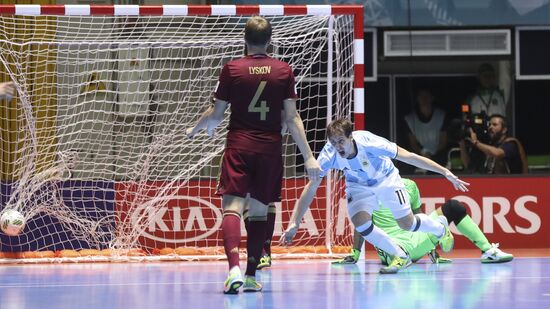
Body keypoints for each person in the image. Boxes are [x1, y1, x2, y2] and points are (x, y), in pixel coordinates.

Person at [186, 16, 321, 294]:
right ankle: (250, 276)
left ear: (244, 40)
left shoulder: (232, 69)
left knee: (233, 208)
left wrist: (198, 127)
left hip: (239, 144)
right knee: (260, 211)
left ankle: (233, 268)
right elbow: (292, 119)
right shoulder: (283, 70)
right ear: (270, 41)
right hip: (269, 148)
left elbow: (217, 115)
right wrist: (308, 156)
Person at [281, 119, 469, 274]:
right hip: (358, 185)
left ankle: (439, 228)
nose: (337, 146)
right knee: (361, 223)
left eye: (341, 141)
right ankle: (400, 255)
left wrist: (444, 172)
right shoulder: (328, 156)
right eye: (333, 142)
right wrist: (294, 222)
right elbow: (311, 188)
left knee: (408, 224)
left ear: (350, 137)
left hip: (385, 179)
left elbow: (409, 156)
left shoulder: (370, 144)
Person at [333, 178, 514, 265]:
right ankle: (441, 231)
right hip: (392, 248)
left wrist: (432, 253)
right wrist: (355, 253)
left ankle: (488, 250)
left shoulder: (409, 185)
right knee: (401, 249)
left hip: (414, 240)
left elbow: (420, 220)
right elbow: (362, 224)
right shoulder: (366, 189)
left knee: (454, 206)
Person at [459, 114, 527, 174]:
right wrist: (461, 144)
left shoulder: (511, 143)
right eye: (489, 124)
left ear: (504, 130)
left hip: (513, 185)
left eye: (495, 125)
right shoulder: (489, 146)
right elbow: (468, 164)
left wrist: (476, 143)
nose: (490, 127)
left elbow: (498, 153)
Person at [404, 88, 449, 167]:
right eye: (421, 96)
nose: (423, 99)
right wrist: (424, 153)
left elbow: (443, 141)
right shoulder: (410, 119)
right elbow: (413, 143)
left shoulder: (441, 116)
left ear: (432, 98)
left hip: (439, 158)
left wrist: (431, 154)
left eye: (426, 96)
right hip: (419, 159)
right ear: (417, 99)